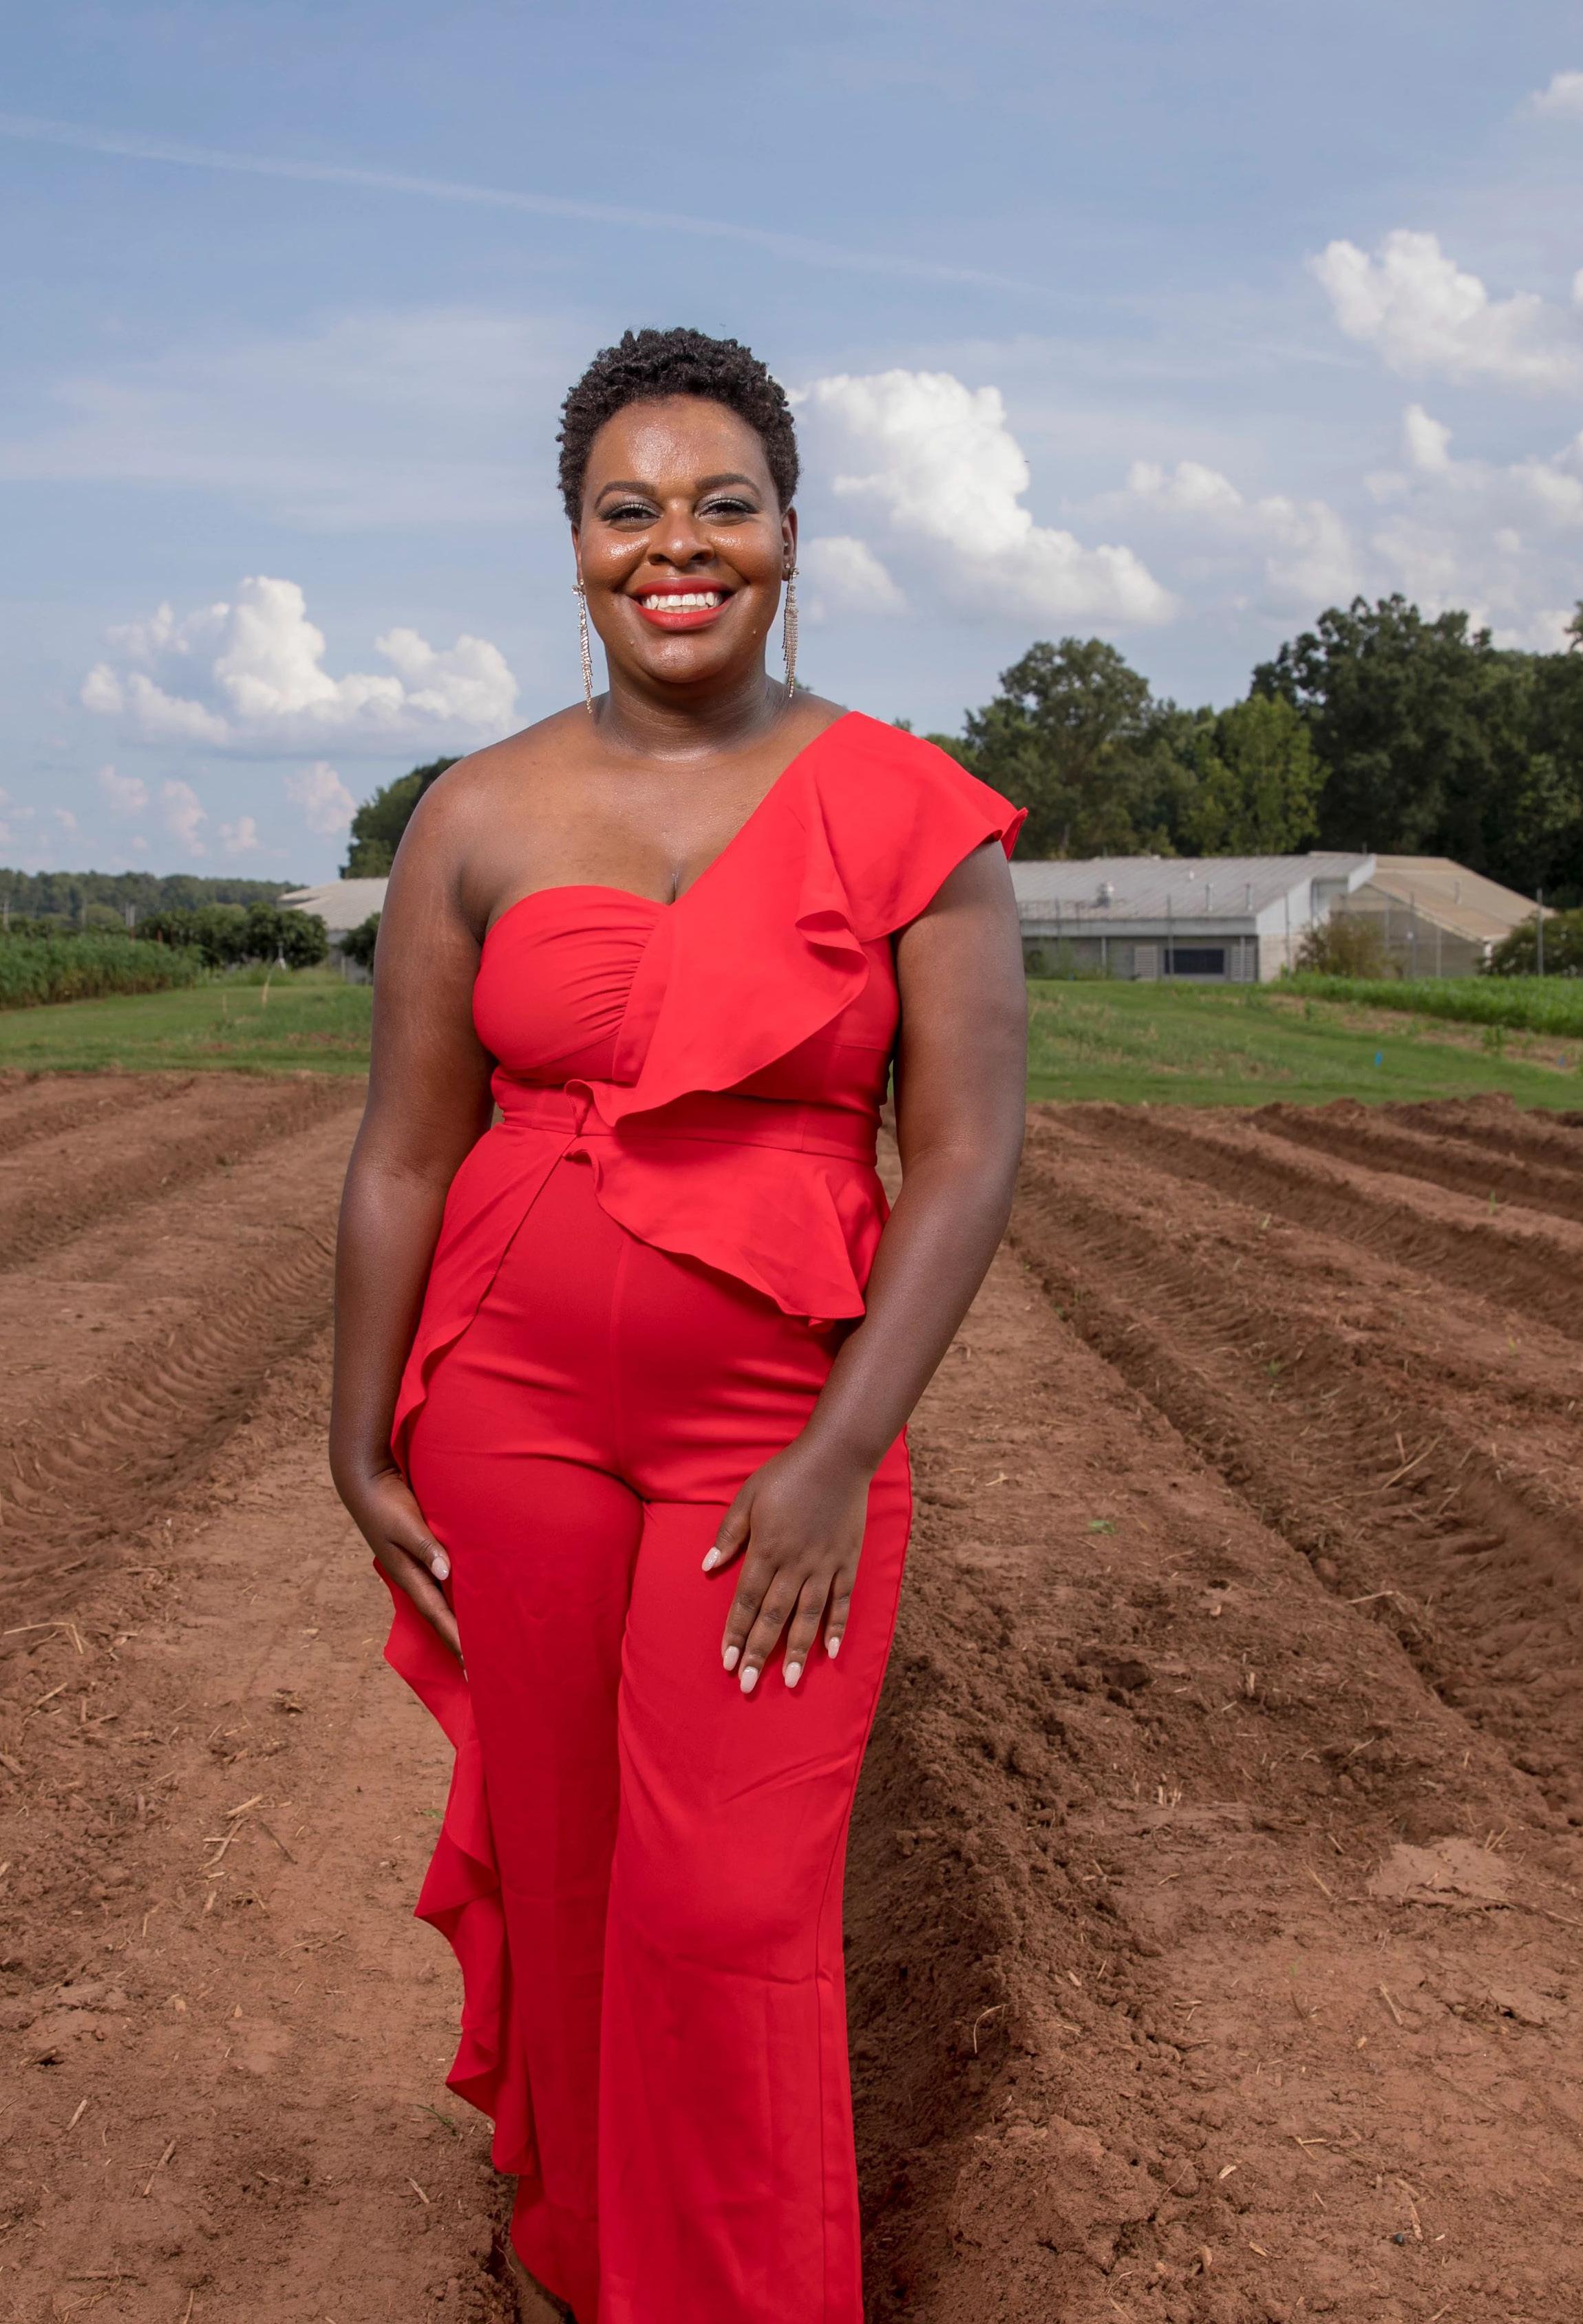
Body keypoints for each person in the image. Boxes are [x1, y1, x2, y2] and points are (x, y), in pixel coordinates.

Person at [330, 326, 1027, 2324]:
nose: (676, 545)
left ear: (790, 534)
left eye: (723, 503)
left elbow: (966, 1157)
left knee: (726, 1900)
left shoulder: (912, 814)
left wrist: (838, 1454)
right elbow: (403, 1150)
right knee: (565, 1870)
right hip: (509, 1413)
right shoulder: (475, 813)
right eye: (626, 510)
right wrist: (355, 1431)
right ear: (574, 547)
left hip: (772, 1437)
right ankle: (579, 2262)